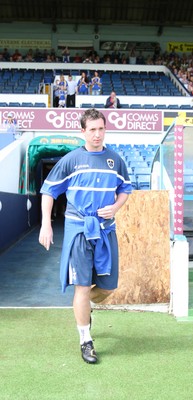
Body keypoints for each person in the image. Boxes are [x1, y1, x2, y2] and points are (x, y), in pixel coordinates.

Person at [38, 108, 132, 364]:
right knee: (81, 287)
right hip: (79, 230)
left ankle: (83, 307)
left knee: (108, 287)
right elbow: (49, 192)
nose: (97, 134)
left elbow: (125, 188)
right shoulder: (70, 160)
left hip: (105, 230)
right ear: (83, 132)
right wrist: (46, 224)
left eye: (101, 129)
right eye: (92, 130)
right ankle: (85, 340)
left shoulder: (115, 160)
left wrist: (115, 206)